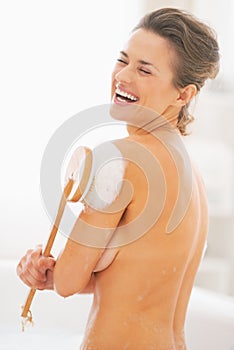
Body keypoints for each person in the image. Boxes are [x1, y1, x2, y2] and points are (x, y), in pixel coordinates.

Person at [17, 8, 220, 350]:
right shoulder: (191, 174)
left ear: (183, 95)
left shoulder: (120, 159)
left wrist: (53, 267)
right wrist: (54, 273)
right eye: (123, 60)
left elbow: (68, 281)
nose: (123, 76)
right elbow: (134, 274)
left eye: (144, 70)